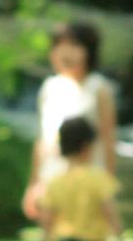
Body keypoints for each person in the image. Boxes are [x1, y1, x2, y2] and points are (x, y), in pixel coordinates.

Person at [22, 20, 117, 222]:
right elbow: (42, 141)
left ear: (89, 52)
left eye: (75, 46)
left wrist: (107, 187)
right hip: (53, 177)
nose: (67, 54)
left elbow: (108, 141)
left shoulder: (100, 89)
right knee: (51, 240)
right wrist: (34, 183)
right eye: (60, 46)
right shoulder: (50, 88)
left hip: (88, 180)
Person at [37, 115, 121, 241]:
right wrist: (119, 233)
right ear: (87, 147)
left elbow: (47, 219)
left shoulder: (55, 182)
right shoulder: (99, 178)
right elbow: (109, 210)